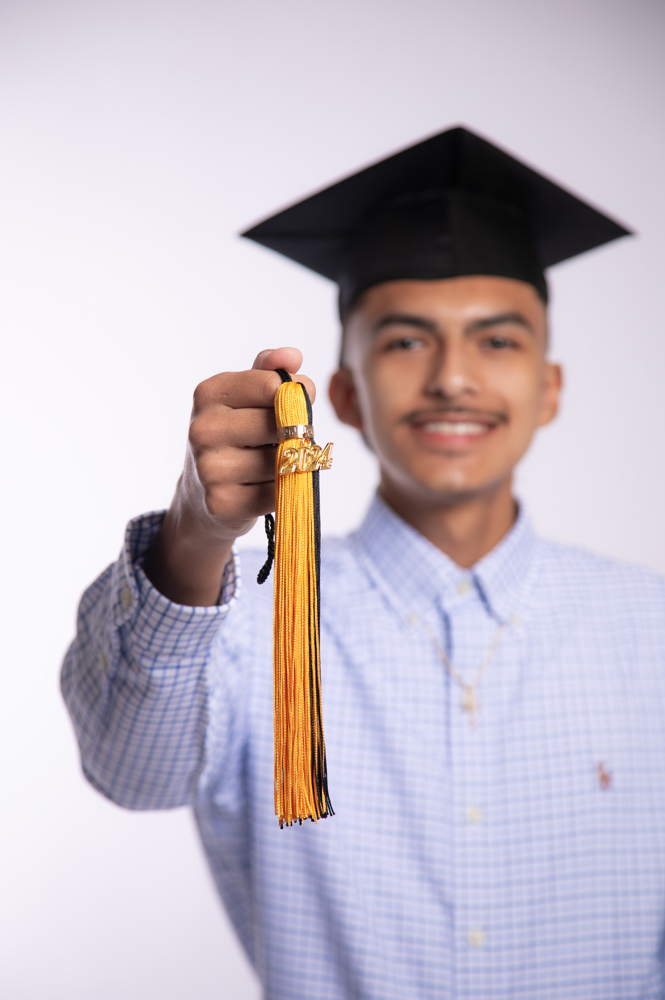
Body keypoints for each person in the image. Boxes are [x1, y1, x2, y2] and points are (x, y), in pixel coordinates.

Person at [62, 127, 665, 999]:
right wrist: (195, 533)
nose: (453, 378)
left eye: (498, 342)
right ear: (341, 393)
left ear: (551, 387)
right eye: (406, 341)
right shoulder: (245, 624)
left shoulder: (651, 633)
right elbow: (132, 773)